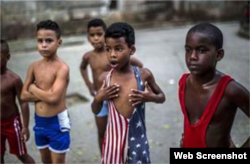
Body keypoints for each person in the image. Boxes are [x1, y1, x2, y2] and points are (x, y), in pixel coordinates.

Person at [91, 22, 165, 164]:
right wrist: (98, 98)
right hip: (114, 142)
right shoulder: (105, 78)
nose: (112, 54)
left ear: (131, 49)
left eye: (118, 49)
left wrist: (151, 97)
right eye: (108, 49)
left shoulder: (144, 75)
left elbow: (162, 97)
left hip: (138, 141)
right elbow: (95, 109)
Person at [179, 22, 250, 148]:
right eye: (188, 50)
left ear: (219, 55)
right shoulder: (184, 83)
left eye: (201, 50)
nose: (192, 57)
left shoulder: (230, 90)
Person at [80, 18, 143, 153]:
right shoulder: (88, 56)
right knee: (101, 131)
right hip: (101, 97)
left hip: (117, 98)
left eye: (99, 34)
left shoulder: (113, 53)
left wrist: (139, 86)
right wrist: (89, 85)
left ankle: (123, 156)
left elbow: (139, 65)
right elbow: (82, 68)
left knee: (122, 131)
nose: (96, 38)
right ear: (88, 37)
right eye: (92, 35)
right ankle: (105, 157)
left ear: (105, 34)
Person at [21, 20, 71, 164]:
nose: (44, 44)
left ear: (59, 42)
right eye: (40, 41)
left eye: (49, 40)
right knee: (45, 160)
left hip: (58, 122)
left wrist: (33, 88)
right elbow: (23, 96)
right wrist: (45, 95)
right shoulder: (34, 67)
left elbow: (54, 98)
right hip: (40, 122)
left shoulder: (62, 68)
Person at [0, 39, 35, 164]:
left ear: (7, 57)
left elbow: (23, 102)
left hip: (12, 123)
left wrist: (25, 126)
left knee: (21, 154)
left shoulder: (13, 79)